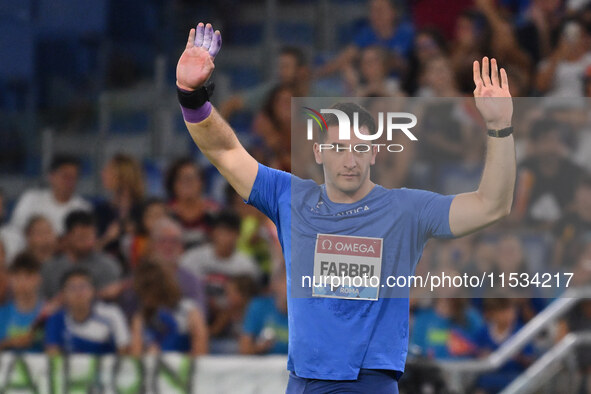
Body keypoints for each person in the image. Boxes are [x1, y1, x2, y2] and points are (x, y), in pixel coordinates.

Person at [176, 23, 515, 392]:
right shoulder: (289, 196)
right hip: (306, 382)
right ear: (318, 152)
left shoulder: (406, 209)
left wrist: (500, 127)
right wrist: (191, 95)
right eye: (338, 147)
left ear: (375, 152)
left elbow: (490, 205)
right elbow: (224, 151)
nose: (349, 159)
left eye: (359, 147)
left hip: (372, 384)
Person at [45, 268, 130, 355]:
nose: (78, 293)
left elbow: (124, 352)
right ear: (63, 294)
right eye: (72, 288)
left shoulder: (112, 314)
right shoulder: (56, 319)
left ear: (93, 291)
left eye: (83, 286)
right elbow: (53, 356)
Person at [130, 261, 208, 356]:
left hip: (182, 366)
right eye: (142, 293)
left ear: (161, 287)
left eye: (148, 291)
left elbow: (201, 352)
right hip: (152, 367)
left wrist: (170, 358)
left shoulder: (189, 311)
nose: (146, 298)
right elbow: (135, 356)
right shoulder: (140, 318)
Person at [41, 210, 122, 300]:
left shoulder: (108, 265)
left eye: (90, 237)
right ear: (68, 237)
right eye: (81, 237)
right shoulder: (50, 268)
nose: (88, 243)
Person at [10, 155, 91, 236]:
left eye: (74, 177)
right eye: (65, 177)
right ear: (51, 176)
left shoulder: (83, 208)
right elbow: (15, 230)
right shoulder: (31, 199)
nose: (70, 182)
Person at [165, 157, 219, 248]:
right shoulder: (166, 213)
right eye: (182, 179)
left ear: (201, 183)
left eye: (191, 178)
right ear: (173, 184)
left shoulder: (214, 212)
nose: (187, 183)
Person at [0, 253, 45, 352]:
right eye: (17, 276)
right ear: (10, 279)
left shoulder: (49, 313)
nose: (22, 281)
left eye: (28, 276)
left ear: (38, 278)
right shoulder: (2, 314)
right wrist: (10, 342)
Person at [240, 271, 288, 355]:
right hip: (262, 365)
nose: (290, 288)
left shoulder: (307, 313)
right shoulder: (258, 306)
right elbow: (244, 349)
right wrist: (259, 348)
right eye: (286, 282)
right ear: (275, 285)